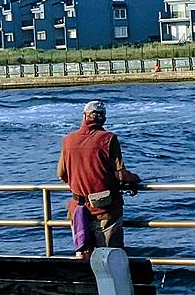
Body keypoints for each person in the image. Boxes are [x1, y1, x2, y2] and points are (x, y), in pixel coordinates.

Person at [57, 100, 141, 258]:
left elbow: (62, 174)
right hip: (105, 210)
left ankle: (85, 283)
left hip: (78, 210)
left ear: (84, 117)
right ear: (104, 118)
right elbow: (120, 175)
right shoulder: (108, 139)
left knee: (83, 256)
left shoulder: (68, 140)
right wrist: (135, 179)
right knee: (109, 258)